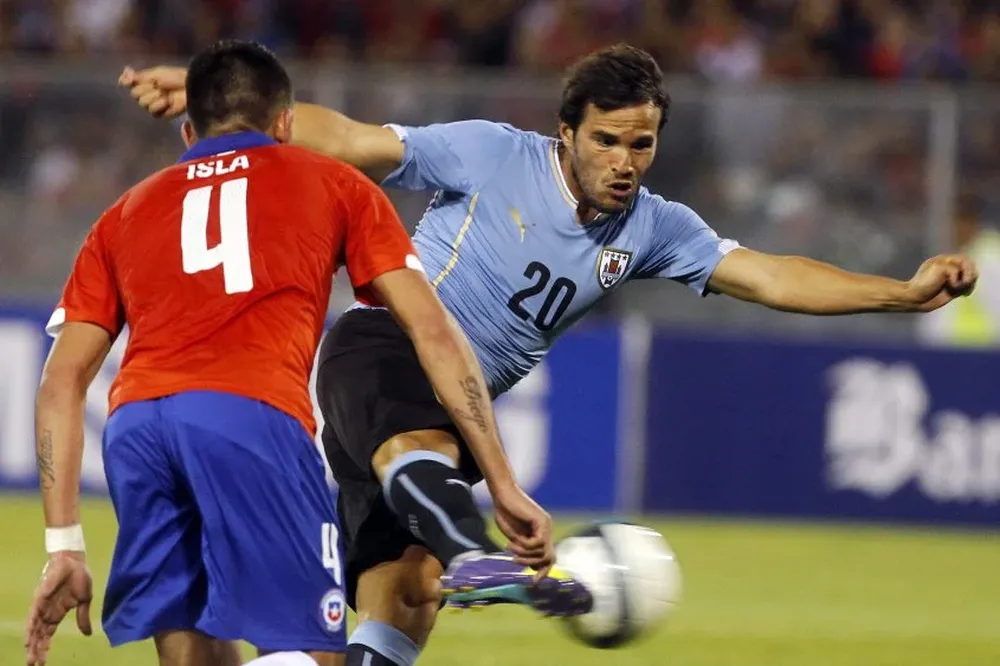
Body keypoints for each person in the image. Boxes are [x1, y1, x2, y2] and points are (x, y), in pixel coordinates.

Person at [121, 43, 979, 666]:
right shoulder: (494, 152)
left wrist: (900, 294)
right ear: (566, 132)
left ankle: (447, 559)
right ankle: (478, 556)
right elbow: (348, 140)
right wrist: (226, 113)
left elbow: (771, 276)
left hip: (459, 411)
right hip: (384, 347)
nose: (624, 162)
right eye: (606, 141)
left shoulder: (656, 229)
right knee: (422, 460)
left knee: (400, 607)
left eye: (641, 145)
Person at [24, 39, 558, 666]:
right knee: (316, 651)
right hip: (249, 419)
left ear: (188, 130)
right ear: (285, 122)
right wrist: (499, 480)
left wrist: (64, 545)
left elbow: (61, 381)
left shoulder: (122, 213)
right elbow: (433, 331)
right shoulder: (337, 184)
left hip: (137, 430)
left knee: (191, 653)